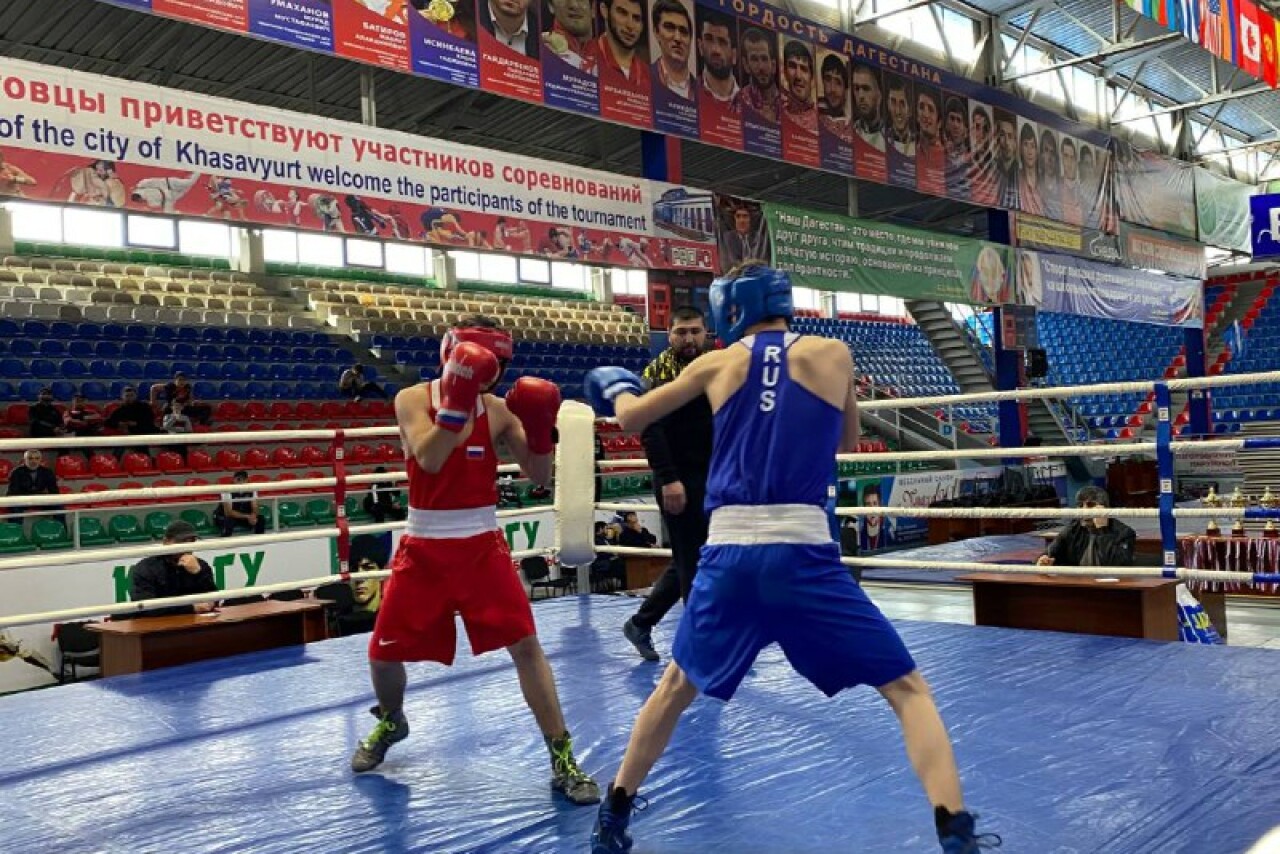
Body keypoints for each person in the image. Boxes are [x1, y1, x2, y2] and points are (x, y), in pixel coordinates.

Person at [584, 263, 996, 853]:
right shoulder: (834, 354)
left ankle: (613, 817)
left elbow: (630, 417)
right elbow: (847, 441)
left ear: (730, 310)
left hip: (730, 555)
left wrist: (619, 386)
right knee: (908, 691)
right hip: (805, 553)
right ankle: (955, 829)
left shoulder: (716, 363)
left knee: (674, 687)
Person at [350, 315, 599, 807]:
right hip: (424, 545)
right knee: (383, 653)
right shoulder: (412, 399)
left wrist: (541, 431)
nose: (494, 372)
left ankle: (562, 758)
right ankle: (392, 720)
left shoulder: (500, 410)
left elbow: (538, 476)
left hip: (482, 545)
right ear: (453, 354)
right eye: (487, 361)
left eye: (500, 364)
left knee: (526, 646)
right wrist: (456, 405)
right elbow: (430, 459)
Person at [621, 307, 713, 662]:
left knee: (696, 557)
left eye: (694, 331)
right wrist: (669, 478)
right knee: (692, 562)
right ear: (669, 335)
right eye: (681, 332)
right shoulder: (655, 375)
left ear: (706, 333)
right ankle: (700, 646)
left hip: (710, 476)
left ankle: (641, 623)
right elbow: (650, 430)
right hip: (677, 478)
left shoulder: (714, 367)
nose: (688, 338)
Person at [128, 520, 219, 618]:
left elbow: (214, 599)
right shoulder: (147, 568)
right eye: (182, 541)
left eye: (192, 541)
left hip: (195, 622)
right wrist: (190, 608)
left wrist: (198, 573)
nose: (187, 547)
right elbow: (146, 607)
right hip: (157, 623)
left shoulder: (200, 565)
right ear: (166, 542)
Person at [1037, 486, 1135, 568]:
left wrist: (1102, 530)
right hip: (1079, 582)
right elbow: (1049, 553)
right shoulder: (1072, 529)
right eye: (1080, 505)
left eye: (1090, 505)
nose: (1084, 510)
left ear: (1104, 508)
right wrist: (1043, 560)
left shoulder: (1124, 532)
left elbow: (1119, 564)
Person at [214, 471, 265, 538]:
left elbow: (255, 506)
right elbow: (228, 512)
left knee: (260, 519)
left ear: (247, 480)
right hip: (224, 516)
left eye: (244, 479)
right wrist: (247, 516)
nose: (241, 482)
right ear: (234, 479)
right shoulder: (226, 491)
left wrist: (253, 515)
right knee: (228, 521)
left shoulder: (252, 489)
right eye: (238, 479)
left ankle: (259, 539)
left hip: (243, 516)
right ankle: (225, 540)